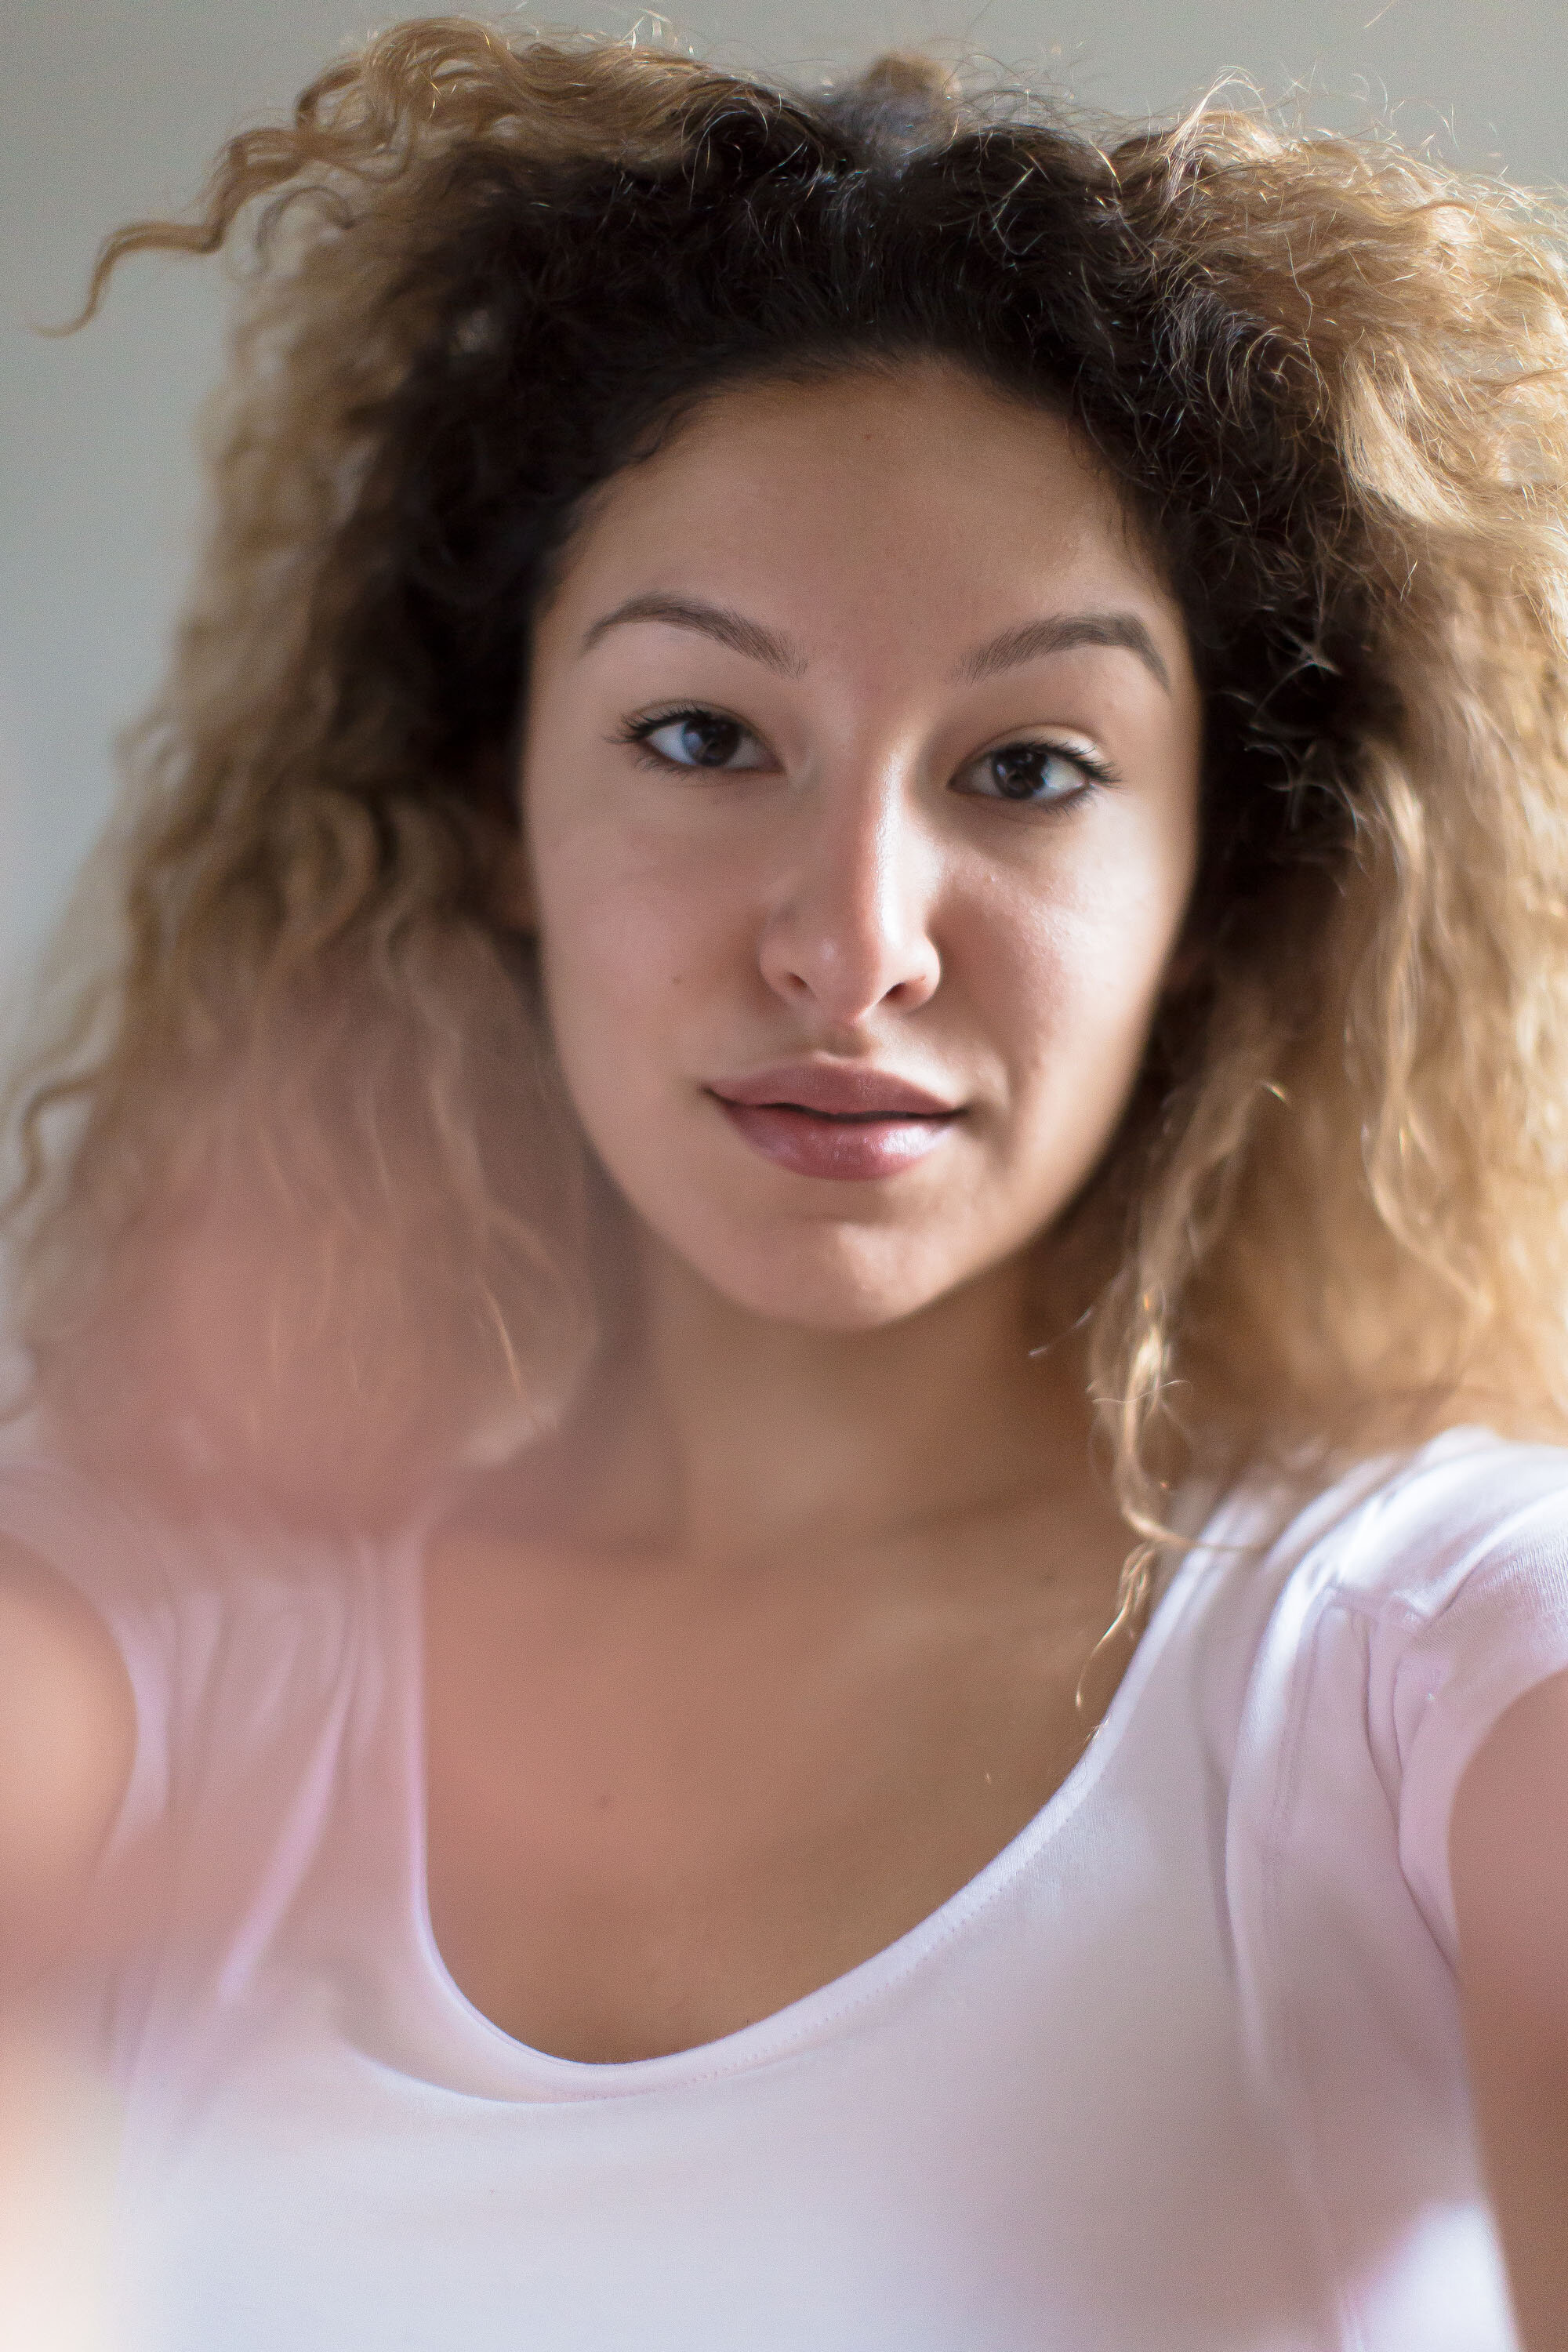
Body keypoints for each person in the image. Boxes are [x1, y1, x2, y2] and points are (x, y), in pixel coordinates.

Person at [2, 18, 1567, 2348]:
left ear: (1217, 881)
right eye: (703, 734)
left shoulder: (1427, 1660)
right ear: (500, 808)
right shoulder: (147, 1645)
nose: (851, 943)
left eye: (1029, 768)